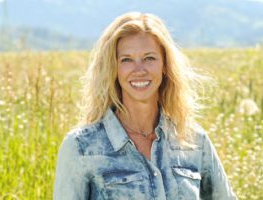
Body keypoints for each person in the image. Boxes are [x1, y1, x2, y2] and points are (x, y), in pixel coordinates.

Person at [53, 12, 237, 200]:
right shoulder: (81, 147)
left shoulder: (194, 142)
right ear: (113, 68)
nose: (139, 70)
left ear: (165, 65)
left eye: (149, 58)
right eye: (126, 60)